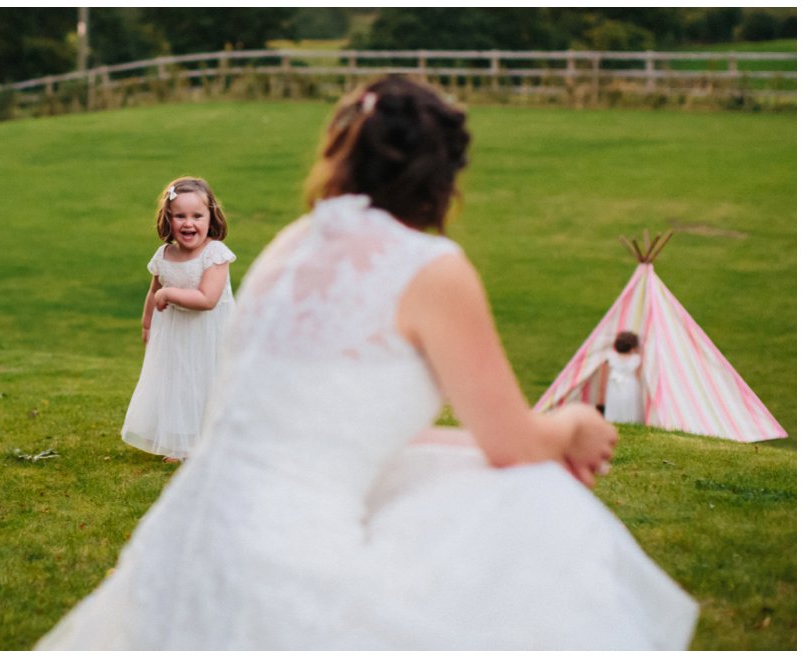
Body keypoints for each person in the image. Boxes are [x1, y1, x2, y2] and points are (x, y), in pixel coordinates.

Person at [37, 76, 696, 649]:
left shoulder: (291, 247)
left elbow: (333, 427)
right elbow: (513, 442)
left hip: (179, 548)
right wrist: (575, 427)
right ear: (441, 175)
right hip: (286, 559)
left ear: (340, 157)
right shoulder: (432, 269)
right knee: (542, 497)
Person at [121, 176, 238, 462]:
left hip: (211, 336)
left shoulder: (215, 254)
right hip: (176, 336)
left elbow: (207, 300)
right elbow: (153, 293)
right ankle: (181, 444)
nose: (189, 223)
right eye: (180, 216)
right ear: (168, 219)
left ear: (211, 218)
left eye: (197, 216)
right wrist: (147, 324)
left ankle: (218, 442)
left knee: (209, 385)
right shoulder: (164, 255)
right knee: (179, 386)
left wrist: (170, 294)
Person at [602, 331, 645, 423]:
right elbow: (639, 375)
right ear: (632, 348)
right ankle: (632, 420)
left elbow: (604, 378)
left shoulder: (611, 357)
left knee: (614, 403)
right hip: (631, 385)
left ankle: (613, 419)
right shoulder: (636, 359)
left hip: (614, 385)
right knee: (631, 404)